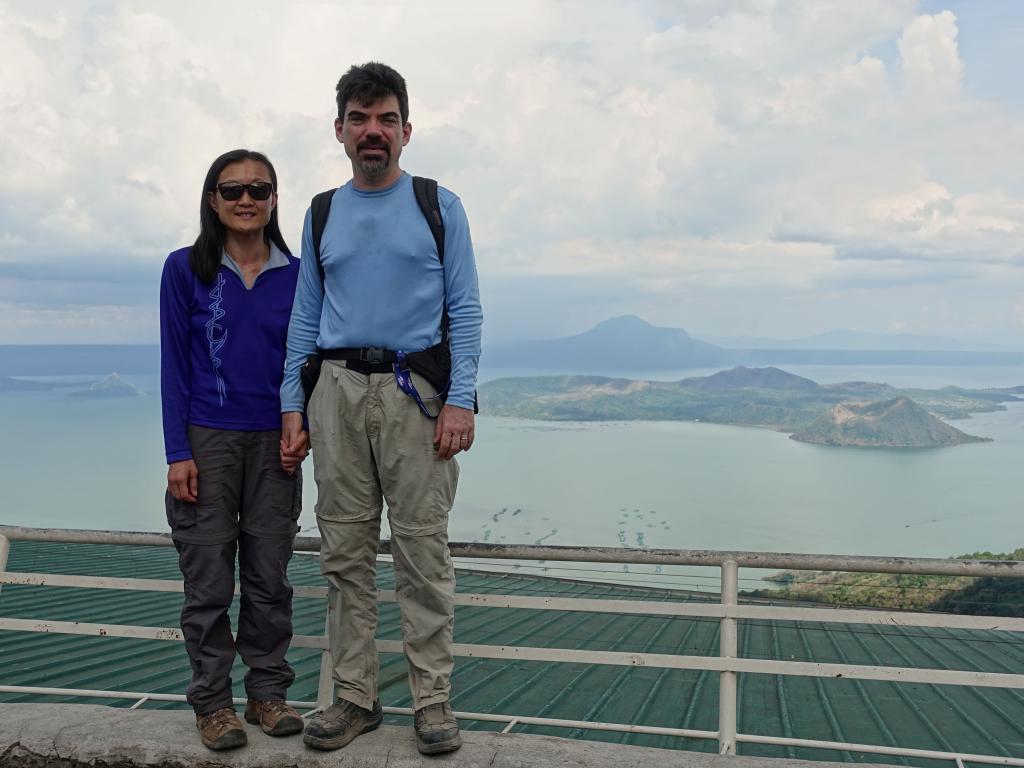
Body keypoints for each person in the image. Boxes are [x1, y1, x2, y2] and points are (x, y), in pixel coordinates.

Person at [280, 62, 482, 755]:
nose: (374, 131)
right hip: (336, 389)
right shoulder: (321, 212)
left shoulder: (438, 205)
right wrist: (292, 406)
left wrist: (460, 400)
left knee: (422, 551)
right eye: (360, 119)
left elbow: (468, 310)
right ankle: (355, 697)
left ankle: (432, 700)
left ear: (406, 130)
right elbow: (305, 316)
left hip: (416, 393)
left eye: (386, 118)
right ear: (339, 129)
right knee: (344, 552)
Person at [160, 149, 308, 751]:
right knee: (209, 577)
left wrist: (304, 428)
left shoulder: (298, 275)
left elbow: (306, 362)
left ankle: (268, 694)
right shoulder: (184, 268)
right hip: (205, 441)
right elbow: (174, 364)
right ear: (212, 199)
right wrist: (177, 451)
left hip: (277, 443)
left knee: (270, 575)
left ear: (274, 199)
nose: (246, 199)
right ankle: (213, 704)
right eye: (232, 189)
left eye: (259, 189)